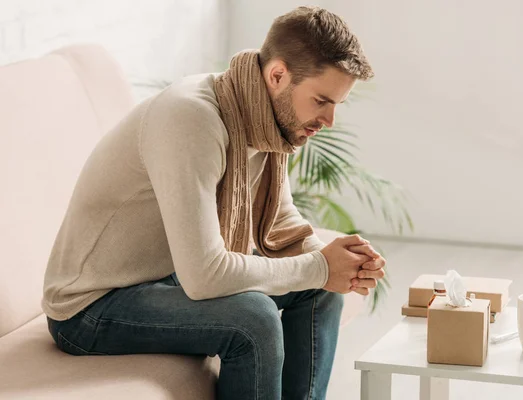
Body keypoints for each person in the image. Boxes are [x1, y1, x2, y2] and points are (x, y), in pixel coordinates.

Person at [42, 6, 384, 399]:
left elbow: (280, 219)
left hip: (165, 280)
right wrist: (319, 267)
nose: (330, 120)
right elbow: (205, 275)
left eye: (337, 104)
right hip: (92, 305)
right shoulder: (192, 119)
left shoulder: (265, 119)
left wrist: (338, 262)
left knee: (322, 289)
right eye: (322, 101)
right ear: (277, 76)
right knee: (253, 319)